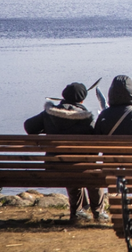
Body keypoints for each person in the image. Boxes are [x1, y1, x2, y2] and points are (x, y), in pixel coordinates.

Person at [24, 82, 107, 223]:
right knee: (88, 170)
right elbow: (96, 145)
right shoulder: (87, 119)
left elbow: (29, 126)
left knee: (70, 167)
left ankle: (77, 212)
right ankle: (98, 213)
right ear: (82, 100)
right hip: (81, 167)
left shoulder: (48, 114)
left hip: (54, 167)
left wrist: (48, 127)